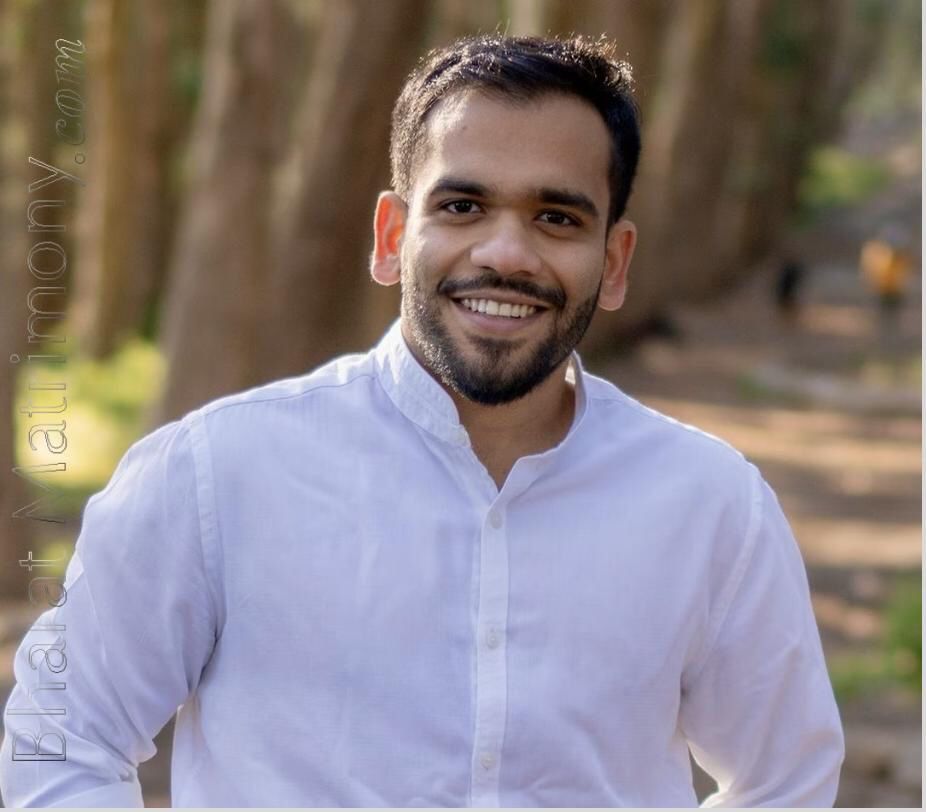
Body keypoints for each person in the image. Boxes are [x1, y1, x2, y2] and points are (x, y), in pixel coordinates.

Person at [1, 35, 844, 807]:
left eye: (557, 218)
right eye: (463, 206)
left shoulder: (709, 505)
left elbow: (788, 782)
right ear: (391, 234)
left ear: (614, 262)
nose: (506, 254)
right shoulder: (216, 475)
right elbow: (60, 739)